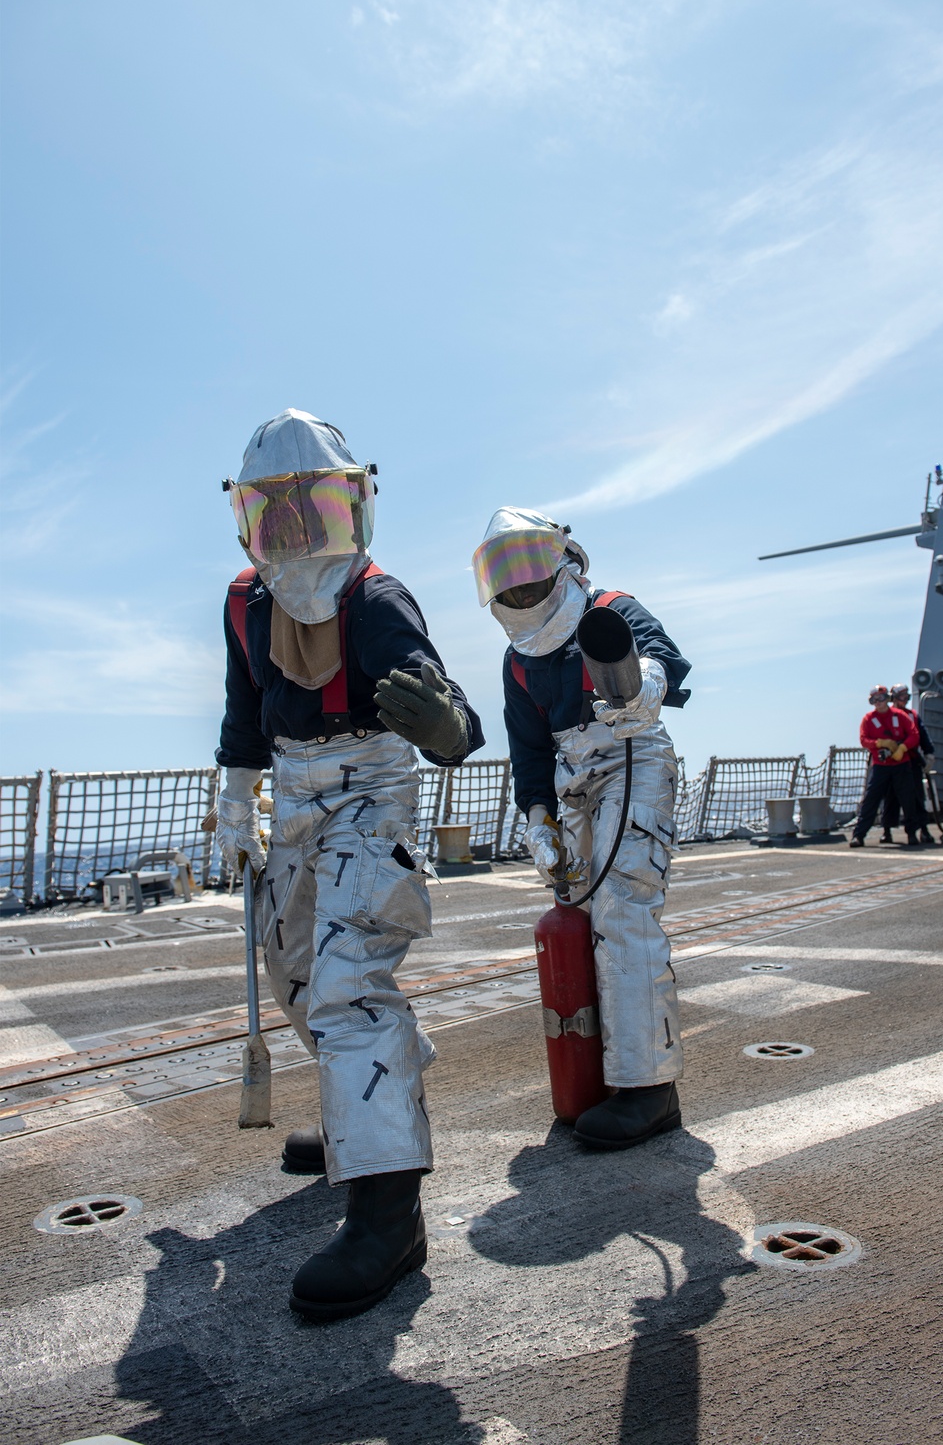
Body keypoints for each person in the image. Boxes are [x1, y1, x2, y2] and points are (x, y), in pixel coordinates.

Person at [215, 408, 484, 1321]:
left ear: (351, 507)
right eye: (276, 515)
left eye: (310, 510)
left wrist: (447, 728)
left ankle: (389, 1212)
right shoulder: (245, 602)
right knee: (291, 968)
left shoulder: (374, 599)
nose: (294, 535)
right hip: (290, 792)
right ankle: (355, 1112)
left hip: (371, 786)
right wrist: (233, 797)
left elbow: (449, 712)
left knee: (349, 980)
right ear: (251, 519)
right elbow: (244, 711)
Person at [472, 506, 691, 1151]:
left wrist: (642, 685)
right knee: (576, 914)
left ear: (563, 559)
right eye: (502, 572)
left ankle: (649, 1089)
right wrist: (537, 822)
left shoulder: (611, 606)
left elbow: (665, 663)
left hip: (633, 754)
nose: (518, 585)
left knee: (623, 911)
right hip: (571, 776)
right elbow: (529, 751)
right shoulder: (517, 662)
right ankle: (596, 1078)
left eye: (527, 565)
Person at [850, 686, 920, 848]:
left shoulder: (900, 716)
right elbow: (864, 740)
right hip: (881, 766)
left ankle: (911, 833)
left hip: (901, 765)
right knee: (871, 800)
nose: (879, 703)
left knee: (908, 800)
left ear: (887, 699)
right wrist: (879, 744)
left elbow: (914, 735)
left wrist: (902, 748)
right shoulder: (868, 719)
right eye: (875, 700)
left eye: (881, 699)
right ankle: (859, 835)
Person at [879, 683, 936, 845]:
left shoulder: (912, 715)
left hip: (911, 760)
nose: (904, 700)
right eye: (901, 696)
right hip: (892, 762)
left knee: (917, 796)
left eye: (906, 696)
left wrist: (929, 753)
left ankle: (923, 829)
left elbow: (921, 734)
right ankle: (887, 830)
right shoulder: (886, 716)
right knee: (891, 797)